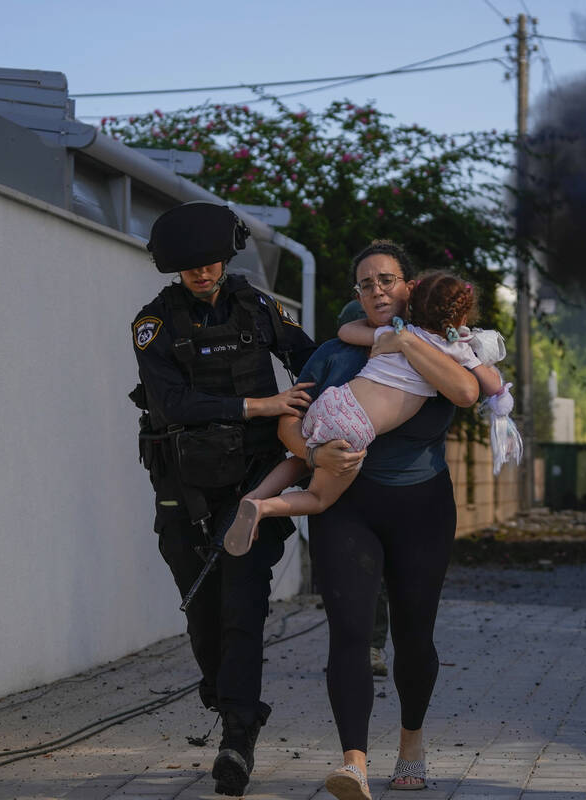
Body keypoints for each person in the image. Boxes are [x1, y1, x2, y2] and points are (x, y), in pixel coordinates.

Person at [281, 240, 483, 800]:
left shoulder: (444, 346)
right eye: (366, 283)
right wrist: (314, 453)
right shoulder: (331, 353)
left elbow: (469, 390)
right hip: (348, 506)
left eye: (387, 280)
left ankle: (411, 744)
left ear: (409, 287)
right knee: (349, 634)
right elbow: (288, 425)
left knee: (415, 637)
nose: (376, 291)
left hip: (422, 507)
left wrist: (404, 342)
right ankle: (354, 763)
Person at [129, 201, 319, 796]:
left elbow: (311, 359)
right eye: (190, 267)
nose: (203, 273)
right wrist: (260, 406)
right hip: (184, 489)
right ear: (173, 268)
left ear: (225, 257)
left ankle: (237, 738)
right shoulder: (153, 324)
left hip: (253, 485)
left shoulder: (258, 305)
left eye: (210, 262)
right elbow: (172, 405)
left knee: (243, 607)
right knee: (202, 609)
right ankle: (225, 694)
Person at [222, 270, 504, 555]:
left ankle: (255, 495)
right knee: (319, 498)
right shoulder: (454, 350)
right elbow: (491, 386)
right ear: (461, 319)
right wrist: (478, 356)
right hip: (355, 426)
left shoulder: (396, 333)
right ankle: (263, 508)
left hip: (335, 400)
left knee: (304, 459)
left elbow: (346, 331)